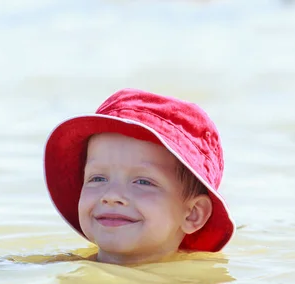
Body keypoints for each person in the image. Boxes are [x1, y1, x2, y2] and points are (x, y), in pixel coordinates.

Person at [43, 88, 235, 265]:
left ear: (193, 214)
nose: (111, 196)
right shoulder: (58, 267)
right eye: (98, 178)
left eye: (143, 182)